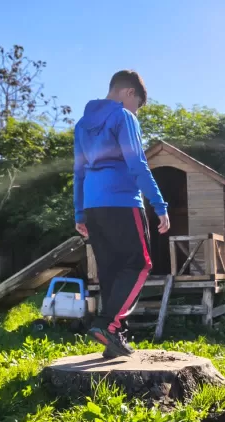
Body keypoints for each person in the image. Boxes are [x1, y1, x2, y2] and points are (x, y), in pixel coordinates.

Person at [73, 70, 170, 358]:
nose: (135, 111)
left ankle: (114, 339)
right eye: (137, 104)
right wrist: (160, 204)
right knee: (140, 264)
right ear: (129, 92)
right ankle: (109, 326)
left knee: (111, 271)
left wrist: (79, 213)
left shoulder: (81, 125)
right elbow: (137, 164)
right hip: (122, 201)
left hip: (93, 206)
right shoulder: (123, 117)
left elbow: (78, 173)